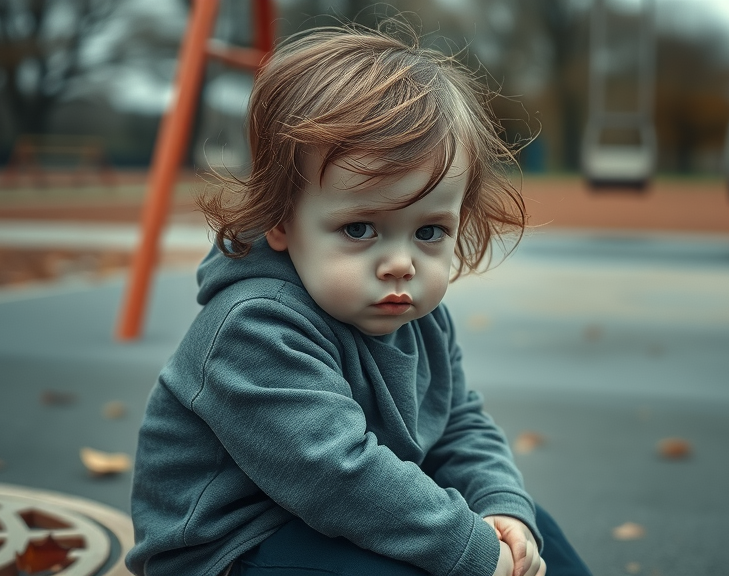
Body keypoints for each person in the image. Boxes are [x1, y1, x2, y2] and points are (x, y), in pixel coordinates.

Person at [126, 19, 592, 576]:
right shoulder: (254, 328)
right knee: (432, 560)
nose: (401, 263)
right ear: (281, 220)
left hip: (341, 517)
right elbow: (334, 473)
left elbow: (460, 424)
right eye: (359, 229)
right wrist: (467, 547)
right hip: (233, 546)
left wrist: (499, 509)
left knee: (532, 536)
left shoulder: (422, 319)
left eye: (429, 232)